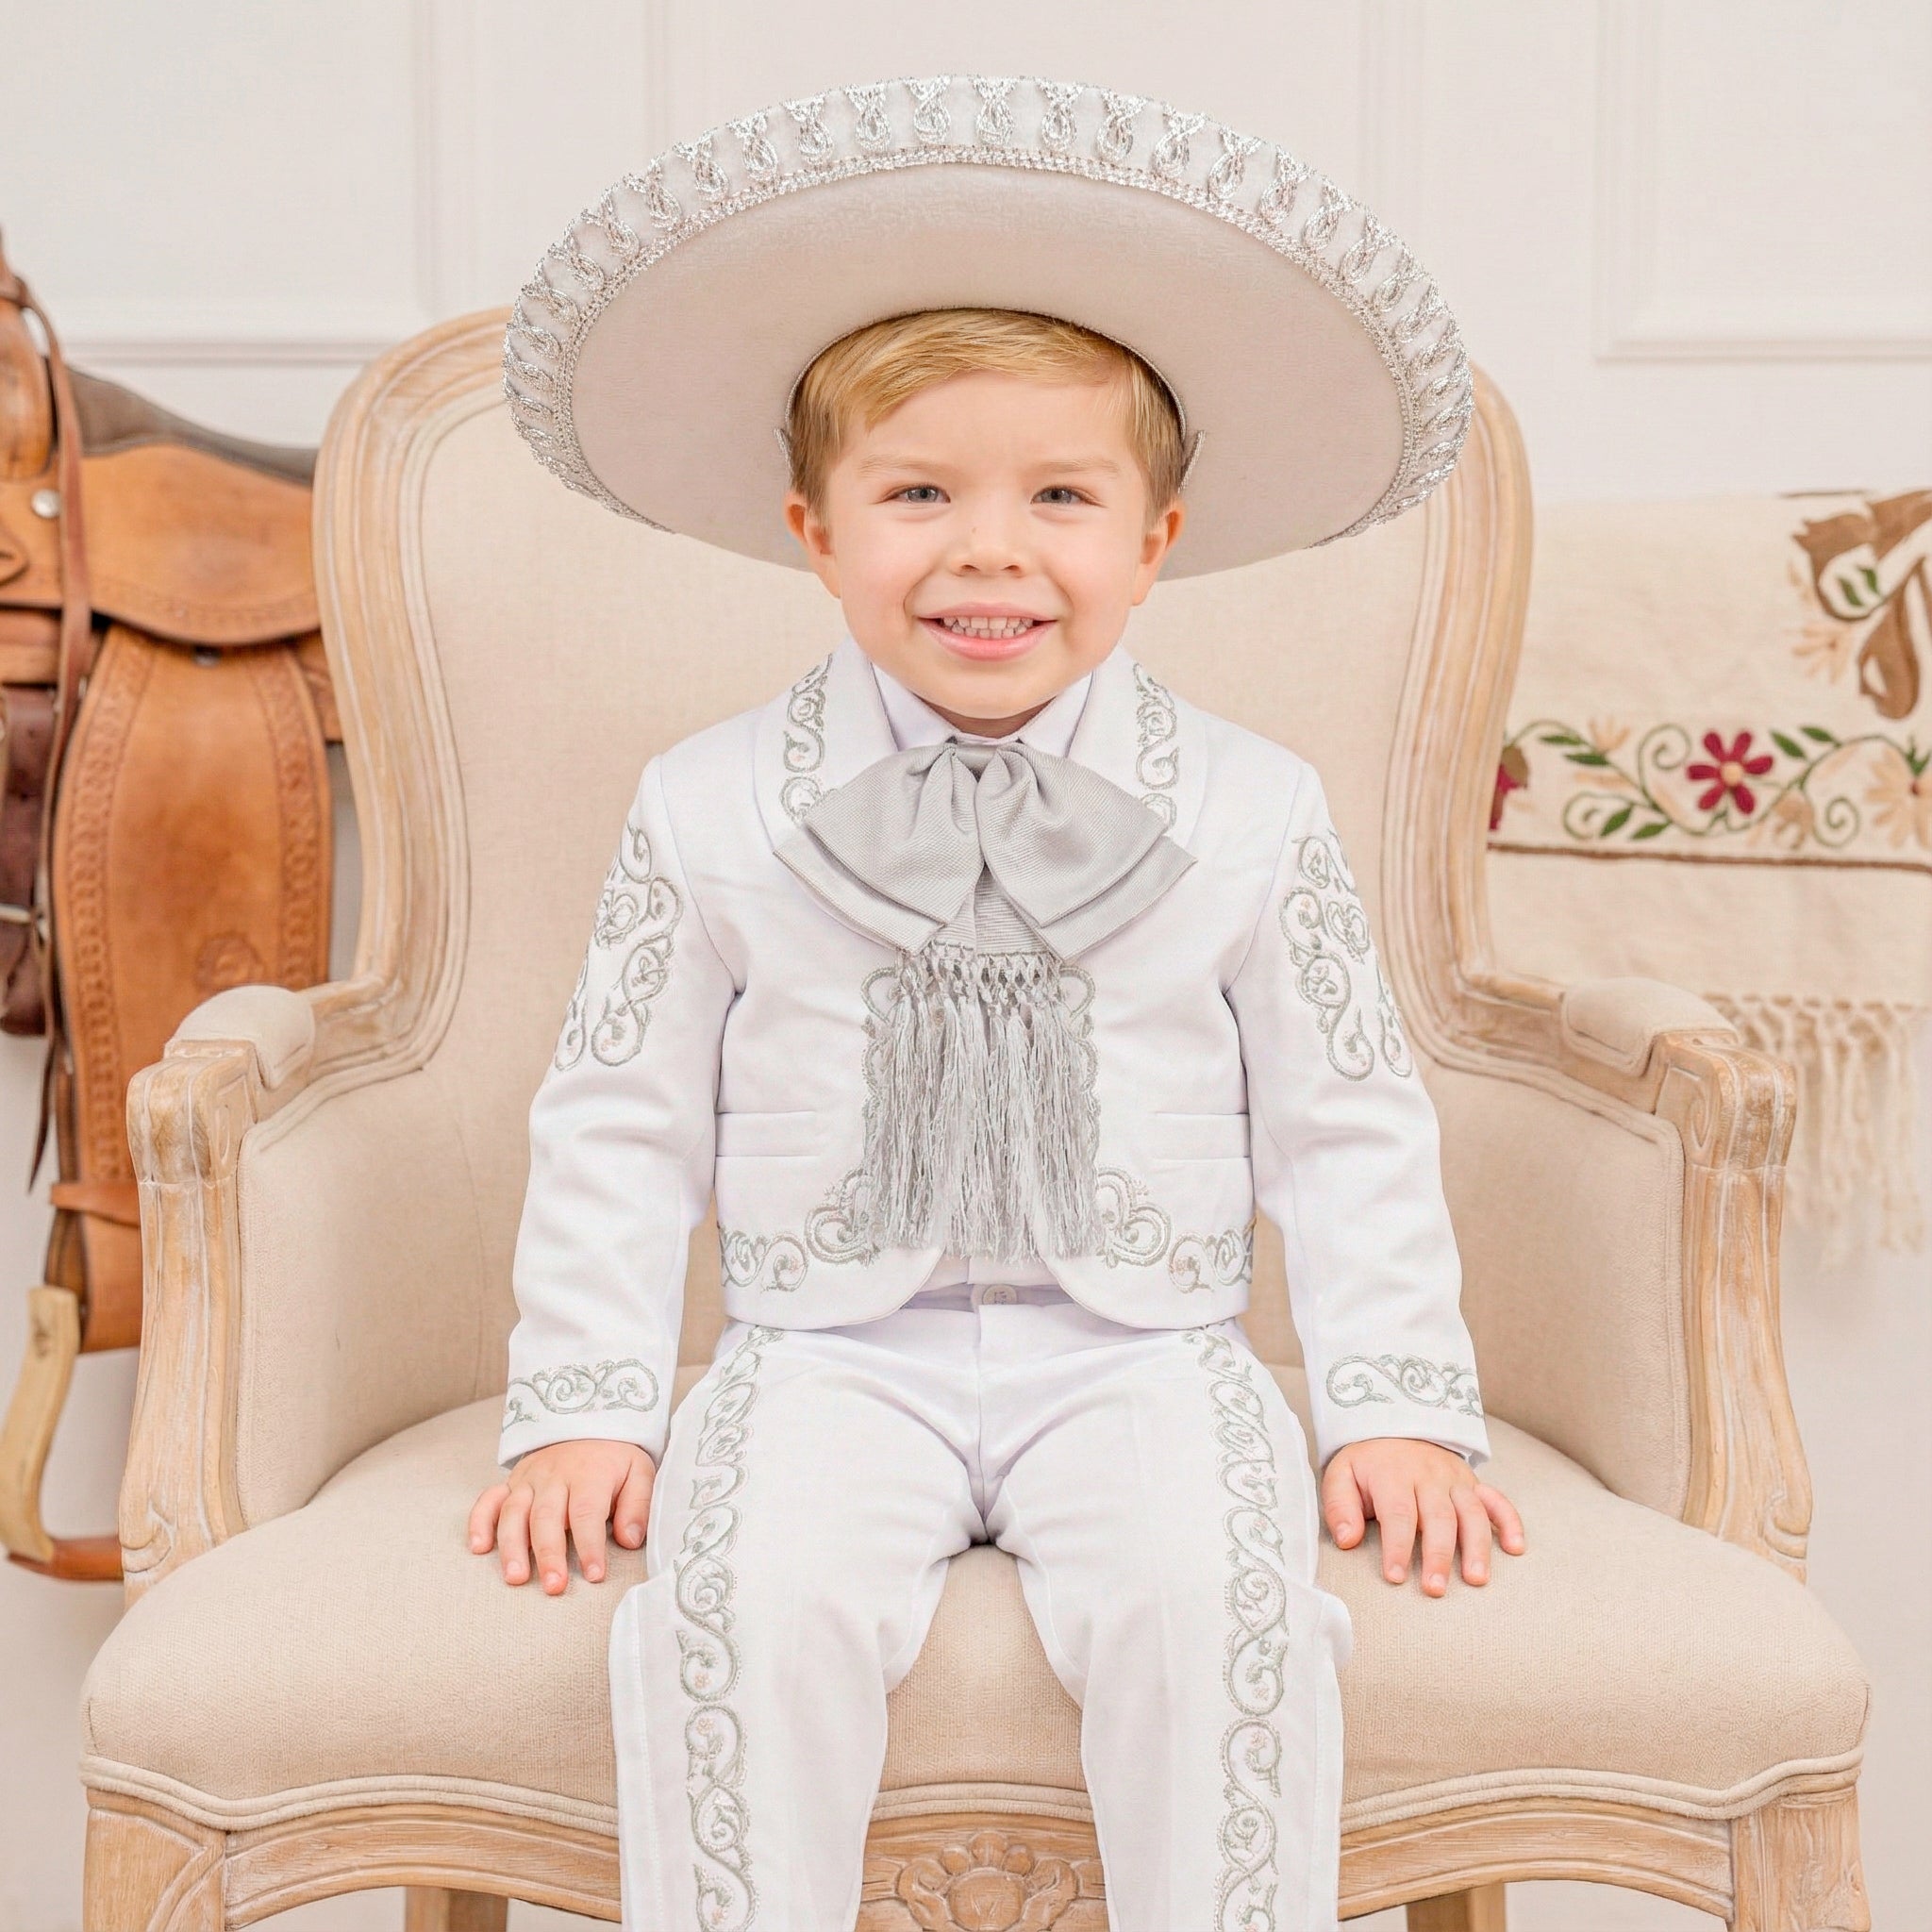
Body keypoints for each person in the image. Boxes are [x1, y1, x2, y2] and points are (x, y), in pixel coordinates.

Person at [469, 75, 1524, 1931]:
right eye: (916, 493)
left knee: (1222, 1611)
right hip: (822, 1350)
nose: (986, 548)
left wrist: (1394, 1401)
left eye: (1058, 496)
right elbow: (616, 1116)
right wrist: (584, 1401)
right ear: (813, 528)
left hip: (1139, 1346)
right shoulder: (708, 803)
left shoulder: (1249, 803)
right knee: (735, 1611)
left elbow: (1345, 1112)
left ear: (1155, 535)